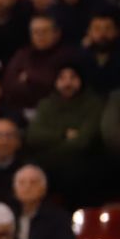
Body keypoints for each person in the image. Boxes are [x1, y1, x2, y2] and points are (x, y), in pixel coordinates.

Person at [28, 63, 105, 208]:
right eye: (62, 78)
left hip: (82, 167)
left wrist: (49, 144)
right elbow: (33, 136)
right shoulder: (46, 104)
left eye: (72, 77)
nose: (67, 83)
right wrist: (63, 134)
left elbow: (83, 142)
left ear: (81, 80)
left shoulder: (93, 104)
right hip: (49, 166)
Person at [3, 14, 68, 111]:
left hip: (56, 110)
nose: (40, 36)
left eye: (45, 31)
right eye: (36, 32)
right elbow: (8, 85)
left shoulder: (66, 56)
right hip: (21, 109)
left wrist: (28, 78)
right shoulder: (22, 55)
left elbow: (53, 86)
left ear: (56, 33)